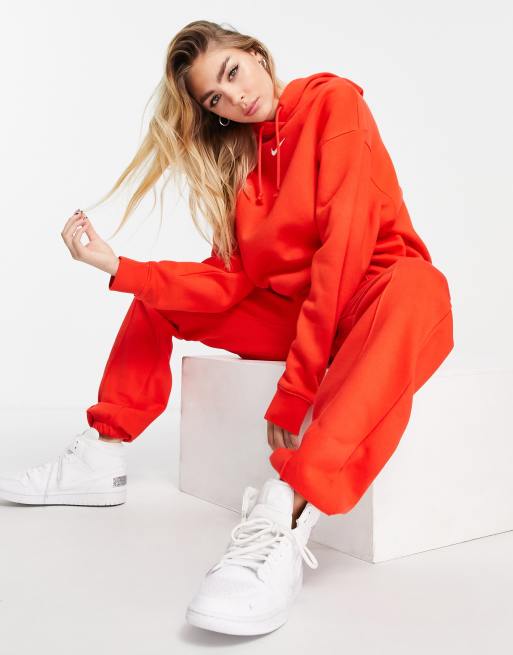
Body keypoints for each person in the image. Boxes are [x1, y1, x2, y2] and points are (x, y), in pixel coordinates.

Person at [0, 19, 454, 636]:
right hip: (304, 317)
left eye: (233, 72)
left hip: (378, 295)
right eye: (215, 97)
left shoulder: (332, 102)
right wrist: (119, 266)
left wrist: (296, 389)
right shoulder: (244, 166)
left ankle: (283, 514)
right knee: (162, 295)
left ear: (255, 54)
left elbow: (344, 249)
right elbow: (227, 282)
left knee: (419, 285)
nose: (236, 98)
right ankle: (102, 454)